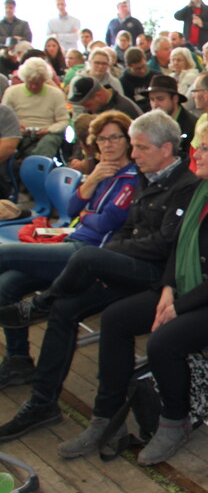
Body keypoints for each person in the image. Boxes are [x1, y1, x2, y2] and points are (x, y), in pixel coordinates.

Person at [58, 120, 208, 465]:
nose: (196, 155)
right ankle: (105, 416)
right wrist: (168, 289)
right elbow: (179, 247)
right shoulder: (202, 193)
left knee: (163, 341)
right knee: (115, 319)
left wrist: (181, 305)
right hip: (192, 289)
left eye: (205, 148)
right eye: (197, 147)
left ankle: (175, 421)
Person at [0, 111, 199, 440]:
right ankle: (41, 401)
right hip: (111, 259)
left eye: (138, 147)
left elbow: (161, 243)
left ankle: (39, 306)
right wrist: (111, 251)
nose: (133, 153)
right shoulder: (145, 176)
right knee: (57, 305)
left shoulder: (182, 185)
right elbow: (117, 225)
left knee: (62, 259)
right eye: (104, 140)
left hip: (149, 273)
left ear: (166, 148)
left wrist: (109, 252)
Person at [0, 111, 139, 391]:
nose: (108, 144)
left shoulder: (132, 177)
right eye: (102, 139)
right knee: (6, 285)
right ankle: (19, 361)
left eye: (115, 138)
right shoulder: (102, 172)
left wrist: (87, 215)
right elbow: (73, 208)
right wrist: (92, 179)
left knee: (4, 254)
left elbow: (108, 221)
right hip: (70, 245)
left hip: (90, 255)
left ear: (128, 141)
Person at [2, 58, 67, 160]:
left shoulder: (56, 94)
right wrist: (16, 127)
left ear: (44, 80)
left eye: (37, 83)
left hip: (48, 133)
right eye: (29, 82)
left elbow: (63, 121)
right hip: (19, 132)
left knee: (47, 144)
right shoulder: (11, 92)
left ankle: (34, 164)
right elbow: (4, 119)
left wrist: (48, 130)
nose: (33, 86)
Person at [147, 75, 196, 153]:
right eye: (152, 100)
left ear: (175, 99)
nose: (155, 105)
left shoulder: (192, 126)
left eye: (160, 99)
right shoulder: (148, 123)